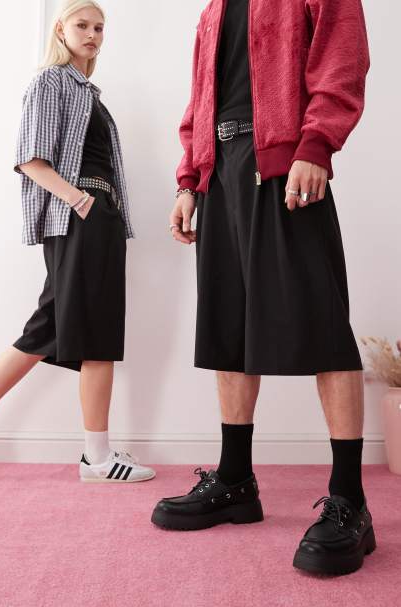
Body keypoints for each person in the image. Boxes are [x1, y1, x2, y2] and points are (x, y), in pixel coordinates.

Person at [151, 0, 373, 576]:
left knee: (324, 327)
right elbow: (201, 98)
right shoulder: (213, 9)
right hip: (219, 174)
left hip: (285, 164)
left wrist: (316, 145)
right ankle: (235, 482)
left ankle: (350, 499)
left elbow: (342, 57)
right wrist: (189, 179)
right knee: (227, 328)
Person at [0, 0, 155, 486]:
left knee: (48, 328)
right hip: (80, 216)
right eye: (82, 25)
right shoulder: (50, 82)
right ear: (60, 29)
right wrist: (80, 200)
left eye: (99, 27)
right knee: (94, 334)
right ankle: (97, 457)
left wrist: (103, 211)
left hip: (98, 218)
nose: (92, 34)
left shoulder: (89, 92)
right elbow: (29, 157)